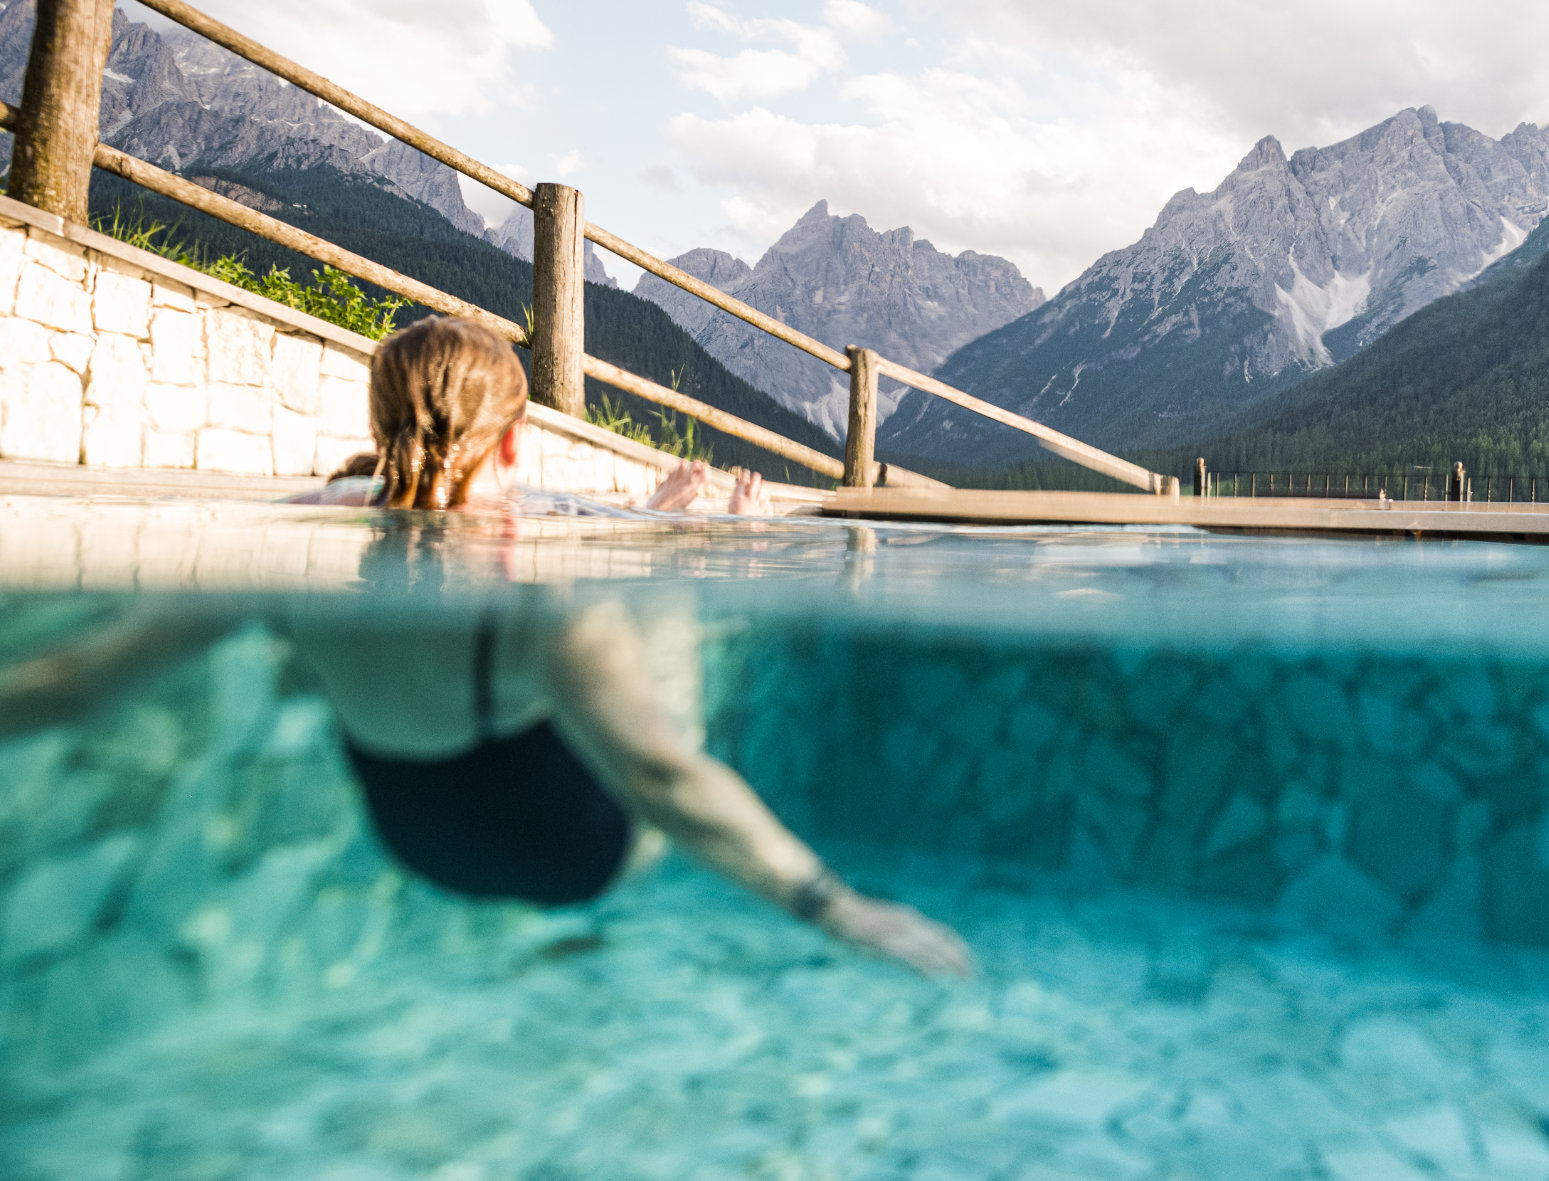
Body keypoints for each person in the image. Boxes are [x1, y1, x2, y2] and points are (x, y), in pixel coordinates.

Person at [0, 317, 971, 978]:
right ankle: (685, 544)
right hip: (573, 854)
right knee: (655, 621)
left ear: (375, 422)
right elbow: (663, 777)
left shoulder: (289, 542)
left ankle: (665, 535)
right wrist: (836, 906)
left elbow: (76, 683)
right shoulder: (539, 610)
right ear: (513, 444)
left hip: (419, 841)